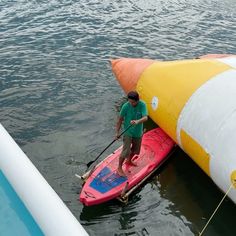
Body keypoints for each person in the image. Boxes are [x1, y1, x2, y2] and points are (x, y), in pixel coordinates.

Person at [116, 91, 148, 176]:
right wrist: (117, 133)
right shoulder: (126, 106)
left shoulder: (142, 105)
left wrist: (137, 121)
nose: (131, 104)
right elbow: (120, 119)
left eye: (133, 102)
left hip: (138, 132)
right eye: (129, 101)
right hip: (128, 132)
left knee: (135, 150)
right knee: (125, 151)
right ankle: (119, 167)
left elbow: (145, 118)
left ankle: (129, 160)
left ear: (138, 100)